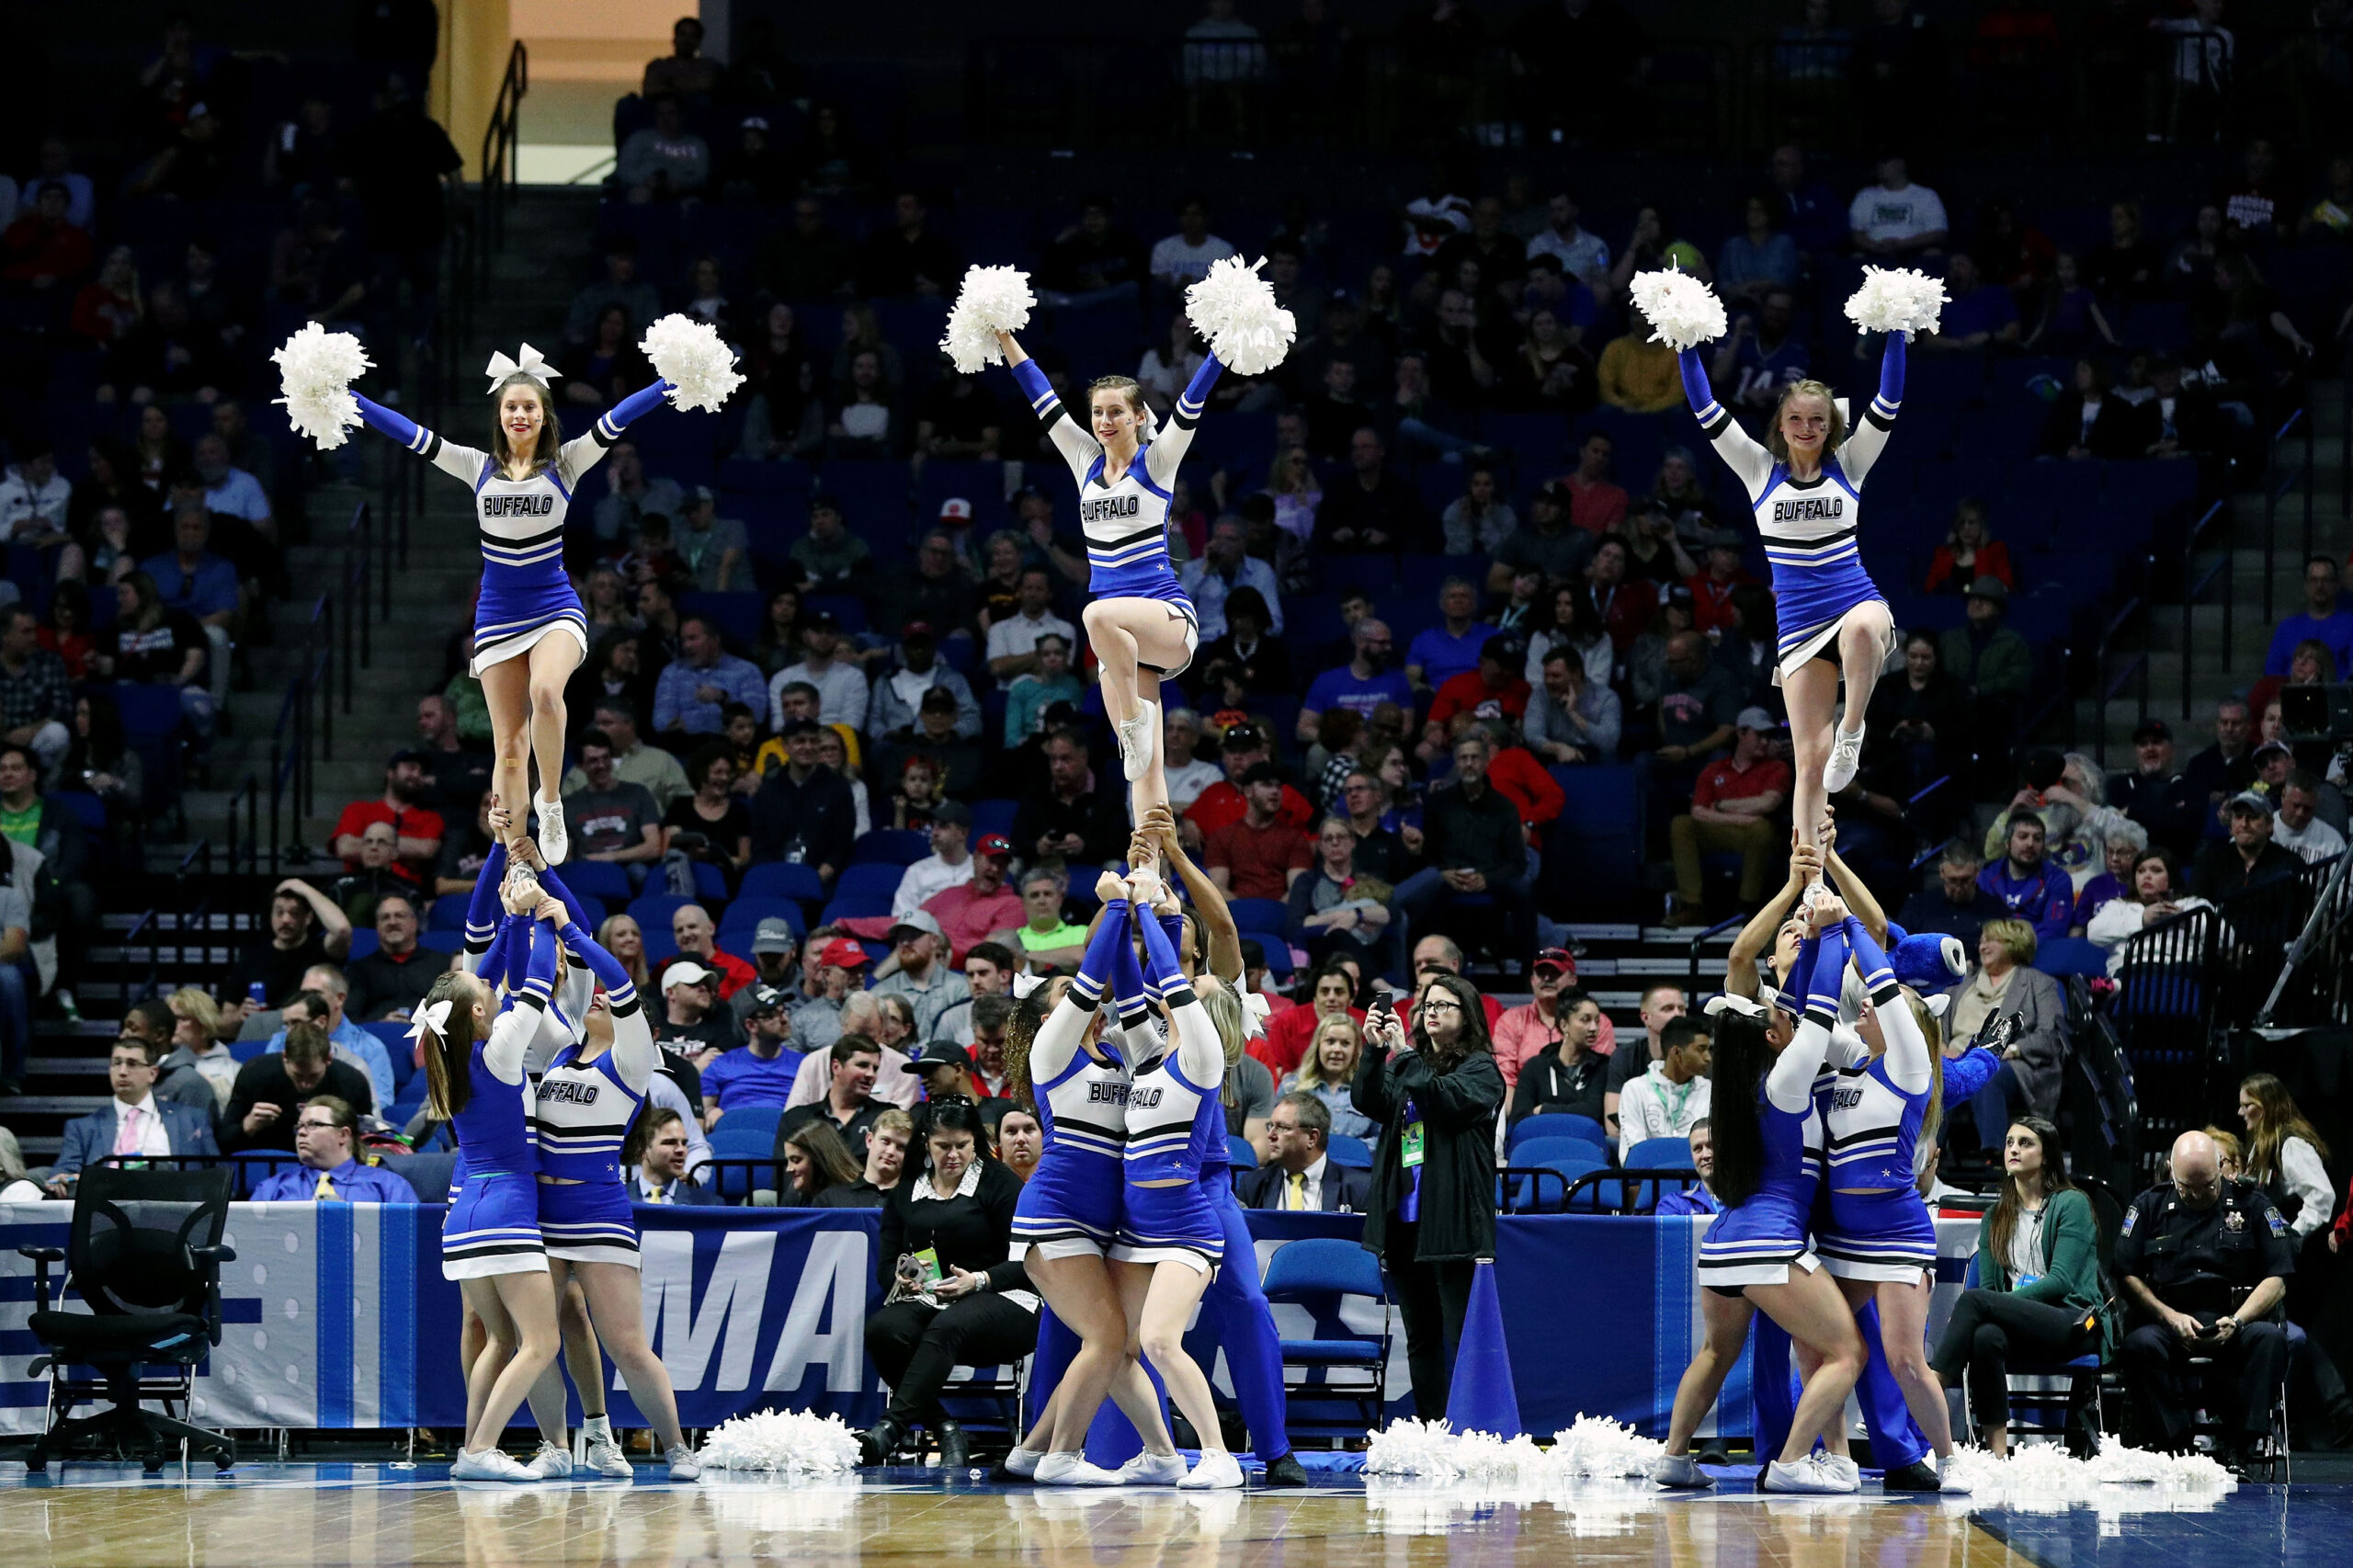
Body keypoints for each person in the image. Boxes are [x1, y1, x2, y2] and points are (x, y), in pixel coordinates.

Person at [350, 344, 692, 867]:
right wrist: (349, 397)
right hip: (497, 617)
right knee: (508, 746)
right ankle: (514, 854)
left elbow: (617, 417)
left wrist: (669, 384)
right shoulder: (475, 467)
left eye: (530, 406)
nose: (520, 414)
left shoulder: (568, 464)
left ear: (544, 415)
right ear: (500, 415)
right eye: (511, 406)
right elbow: (408, 433)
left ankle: (549, 803)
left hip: (555, 607)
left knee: (545, 691)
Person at [1650, 926, 1865, 1494]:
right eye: (1781, 1023)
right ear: (1773, 1039)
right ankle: (1792, 1463)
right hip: (1768, 1244)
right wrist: (1832, 934)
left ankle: (1673, 1458)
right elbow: (1817, 1018)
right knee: (1847, 1351)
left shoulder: (1741, 1086)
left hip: (1723, 1242)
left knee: (1718, 1351)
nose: (1790, 1024)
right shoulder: (1785, 1082)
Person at [994, 325, 1227, 810]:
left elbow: (1192, 402)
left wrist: (1224, 347)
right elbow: (1039, 392)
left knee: (1095, 615)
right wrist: (1002, 335)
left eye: (1116, 411)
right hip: (1121, 645)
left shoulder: (1158, 462)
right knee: (1144, 766)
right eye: (1097, 412)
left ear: (1139, 417)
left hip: (1164, 618)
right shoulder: (1084, 461)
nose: (1104, 421)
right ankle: (1148, 863)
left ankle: (1131, 722)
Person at [413, 868, 568, 1482]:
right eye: (485, 993)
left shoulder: (452, 1057)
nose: (492, 988)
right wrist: (534, 914)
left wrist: (511, 919)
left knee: (497, 1340)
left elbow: (491, 973)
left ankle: (469, 1451)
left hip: (463, 1218)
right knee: (540, 1343)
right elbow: (530, 981)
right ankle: (480, 1450)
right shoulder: (502, 1047)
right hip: (506, 1210)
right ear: (480, 1011)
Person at [1353, 971, 1505, 1420]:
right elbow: (1369, 1100)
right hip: (1405, 1218)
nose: (1432, 1012)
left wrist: (1402, 1054)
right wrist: (1374, 1050)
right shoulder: (1412, 1064)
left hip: (1453, 1218)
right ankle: (1431, 1426)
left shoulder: (1481, 1069)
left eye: (1443, 1005)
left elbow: (1443, 1100)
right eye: (1427, 1005)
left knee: (1458, 1333)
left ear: (1468, 1015)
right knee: (1419, 1334)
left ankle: (1467, 1427)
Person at [859, 1100, 1038, 1471]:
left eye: (962, 1145)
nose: (953, 1155)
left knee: (950, 1322)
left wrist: (978, 1280)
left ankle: (891, 1427)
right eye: (943, 1146)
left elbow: (1028, 1262)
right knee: (883, 1330)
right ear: (927, 1143)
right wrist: (901, 1279)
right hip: (935, 1298)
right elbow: (886, 1263)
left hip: (1006, 1297)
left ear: (975, 1142)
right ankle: (945, 1428)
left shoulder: (999, 1183)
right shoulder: (908, 1190)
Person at [1928, 1116, 2109, 1458]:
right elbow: (1993, 1292)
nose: (2013, 1149)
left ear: (2047, 1155)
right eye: (2010, 1142)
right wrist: (1998, 1305)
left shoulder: (2072, 1204)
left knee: (1976, 1301)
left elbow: (2061, 1282)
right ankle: (1999, 1456)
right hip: (2020, 1326)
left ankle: (1929, 1390)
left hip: (2071, 1322)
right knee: (1985, 1337)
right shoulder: (1996, 1216)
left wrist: (1998, 1303)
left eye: (2025, 1143)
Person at [2114, 1131, 2294, 1471]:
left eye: (2208, 1186)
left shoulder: (2252, 1204)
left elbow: (2278, 1278)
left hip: (2235, 1318)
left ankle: (2241, 1447)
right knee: (2138, 1346)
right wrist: (2168, 1316)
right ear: (2171, 1172)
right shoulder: (2149, 1205)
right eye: (2187, 1187)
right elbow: (2126, 1274)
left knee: (2270, 1340)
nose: (2197, 1195)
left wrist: (2238, 1320)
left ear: (2222, 1168)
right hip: (2170, 1320)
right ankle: (2177, 1445)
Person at [1393, 731, 1533, 958]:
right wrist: (1444, 872)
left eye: (1475, 758)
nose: (1469, 764)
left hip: (1490, 878)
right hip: (1449, 877)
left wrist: (1487, 878)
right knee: (1432, 887)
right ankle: (1432, 963)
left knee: (1523, 888)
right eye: (1463, 758)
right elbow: (1428, 853)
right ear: (1456, 763)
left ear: (1486, 762)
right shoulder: (1438, 804)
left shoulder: (1505, 807)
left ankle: (1528, 967)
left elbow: (1516, 862)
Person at [1941, 919, 2067, 1146]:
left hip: (2013, 1064)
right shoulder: (1960, 985)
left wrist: (2012, 1049)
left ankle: (1995, 1159)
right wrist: (1941, 1048)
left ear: (2014, 945)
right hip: (1956, 1060)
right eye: (1981, 941)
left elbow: (2051, 1036)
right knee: (1935, 1078)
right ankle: (1926, 1159)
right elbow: (1936, 1026)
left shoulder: (2039, 983)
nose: (1983, 947)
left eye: (1992, 941)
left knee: (1987, 1075)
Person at [1665, 707, 1794, 927]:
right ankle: (1692, 906)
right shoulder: (1714, 769)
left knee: (1762, 829)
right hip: (1729, 833)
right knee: (1681, 824)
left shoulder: (1777, 768)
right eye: (1758, 735)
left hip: (1759, 838)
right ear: (1741, 734)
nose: (1764, 742)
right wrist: (1748, 817)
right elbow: (1697, 811)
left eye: (1767, 736)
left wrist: (1721, 807)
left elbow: (1767, 803)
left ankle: (1747, 906)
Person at [44, 1035, 221, 1193]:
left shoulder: (191, 1119)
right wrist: (62, 1178)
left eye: (132, 1064)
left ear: (152, 1073)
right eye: (116, 1063)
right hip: (106, 1207)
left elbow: (218, 1175)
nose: (122, 1072)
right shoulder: (83, 1127)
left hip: (175, 1204)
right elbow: (64, 1171)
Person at [221, 1022, 376, 1152]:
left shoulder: (351, 1082)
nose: (305, 1084)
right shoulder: (255, 1074)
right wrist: (248, 1125)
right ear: (285, 1058)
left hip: (330, 1165)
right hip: (270, 1162)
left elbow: (367, 1141)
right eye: (298, 1076)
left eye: (313, 1076)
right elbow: (223, 1142)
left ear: (329, 1059)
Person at [246, 1096, 416, 1202]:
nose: (302, 1133)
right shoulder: (273, 1188)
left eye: (313, 1125)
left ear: (343, 1134)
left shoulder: (388, 1186)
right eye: (299, 1127)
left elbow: (411, 1242)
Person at [2086, 848, 2216, 975]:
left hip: (2182, 974)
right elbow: (2094, 933)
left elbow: (2227, 940)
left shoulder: (2193, 905)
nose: (2147, 876)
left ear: (2171, 877)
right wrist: (2142, 920)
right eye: (2141, 871)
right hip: (2132, 973)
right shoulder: (2118, 906)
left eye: (2156, 871)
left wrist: (2187, 922)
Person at [1236, 1092, 1373, 1211]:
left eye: (1282, 1127)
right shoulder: (1252, 1185)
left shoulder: (1359, 1188)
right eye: (1271, 1126)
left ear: (1312, 1138)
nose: (1270, 1135)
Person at [1506, 985, 1609, 1129]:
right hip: (1540, 1141)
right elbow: (1520, 1117)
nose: (1593, 1028)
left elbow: (1593, 1112)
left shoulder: (1604, 1066)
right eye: (1585, 1020)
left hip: (1586, 1144)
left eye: (1597, 1021)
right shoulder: (1535, 1067)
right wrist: (1575, 1107)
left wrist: (1543, 1109)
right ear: (1564, 1024)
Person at [1616, 1019, 1713, 1160]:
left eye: (1708, 1049)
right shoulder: (1635, 1089)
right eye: (1701, 1049)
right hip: (1649, 1178)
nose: (1708, 1058)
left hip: (1696, 1177)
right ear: (1676, 1052)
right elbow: (1635, 1154)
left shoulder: (1710, 1091)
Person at [779, 1037, 892, 1159]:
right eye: (862, 1065)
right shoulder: (796, 1119)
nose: (871, 1074)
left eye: (875, 1069)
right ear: (836, 1067)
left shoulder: (886, 1117)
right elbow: (784, 1173)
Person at [1277, 1013, 1379, 1143]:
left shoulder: (1369, 1092)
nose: (1337, 1049)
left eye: (1345, 1043)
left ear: (1355, 1050)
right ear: (1318, 1045)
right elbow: (1277, 1135)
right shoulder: (1291, 1087)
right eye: (1330, 1041)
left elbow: (1380, 1140)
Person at [344, 892, 438, 1022]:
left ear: (415, 923)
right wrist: (382, 1023)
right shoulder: (359, 970)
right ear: (377, 927)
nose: (392, 922)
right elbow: (350, 1020)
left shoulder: (441, 964)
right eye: (385, 918)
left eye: (400, 916)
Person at [2194, 792, 2302, 900]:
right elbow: (2196, 904)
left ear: (2269, 825)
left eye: (2253, 817)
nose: (2244, 824)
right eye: (2239, 817)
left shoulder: (2289, 865)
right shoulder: (2212, 859)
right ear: (2231, 826)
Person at [1897, 842, 1990, 950]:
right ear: (1942, 872)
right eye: (1953, 880)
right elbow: (1899, 948)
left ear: (1977, 872)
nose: (1959, 888)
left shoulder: (1994, 909)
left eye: (1965, 880)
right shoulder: (1917, 907)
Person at [817, 1108, 913, 1209]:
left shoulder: (916, 1204)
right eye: (885, 1141)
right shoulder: (831, 1199)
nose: (891, 1151)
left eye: (901, 1147)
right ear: (869, 1140)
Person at [626, 1107, 722, 1204]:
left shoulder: (709, 1204)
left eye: (684, 1143)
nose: (681, 1150)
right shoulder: (613, 1200)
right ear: (642, 1149)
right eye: (670, 1143)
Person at [780, 1118, 865, 1207]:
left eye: (796, 1160)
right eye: (788, 1161)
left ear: (819, 1159)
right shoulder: (794, 1196)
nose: (789, 1169)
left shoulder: (852, 1199)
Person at [1654, 1119, 1723, 1217]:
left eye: (1711, 1146)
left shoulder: (1749, 1202)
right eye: (1697, 1149)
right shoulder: (1673, 1205)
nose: (1705, 1155)